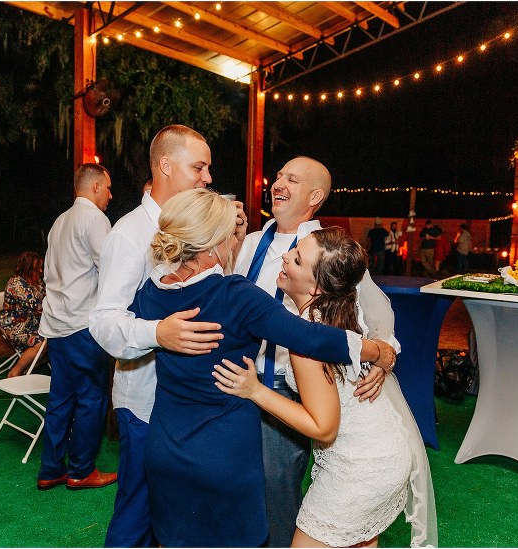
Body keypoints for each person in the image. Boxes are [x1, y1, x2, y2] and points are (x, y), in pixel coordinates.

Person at [131, 189, 396, 547]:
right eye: (230, 233)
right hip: (224, 455)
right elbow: (311, 338)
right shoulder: (235, 295)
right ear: (213, 244)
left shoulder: (149, 293)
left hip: (165, 451)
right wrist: (377, 350)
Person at [216, 227, 437, 548]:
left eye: (297, 259)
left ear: (317, 285)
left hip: (359, 470)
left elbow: (323, 427)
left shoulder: (307, 338)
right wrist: (381, 353)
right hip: (385, 452)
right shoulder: (342, 310)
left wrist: (255, 391)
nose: (285, 257)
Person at [234, 156, 399, 548]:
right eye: (278, 177)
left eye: (291, 179)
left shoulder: (328, 251)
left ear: (315, 196)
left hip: (290, 392)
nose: (278, 184)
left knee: (279, 493)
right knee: (242, 485)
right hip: (244, 382)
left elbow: (379, 315)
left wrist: (384, 355)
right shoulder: (254, 242)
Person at [90, 125, 236, 548]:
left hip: (187, 403)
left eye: (207, 168)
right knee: (136, 514)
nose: (208, 177)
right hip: (146, 403)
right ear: (166, 166)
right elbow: (103, 321)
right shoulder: (131, 235)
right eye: (199, 167)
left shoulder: (190, 229)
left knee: (171, 517)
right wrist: (159, 332)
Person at [36, 163, 118, 491]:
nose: (111, 195)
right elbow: (112, 269)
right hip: (82, 324)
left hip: (56, 324)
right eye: (108, 188)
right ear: (95, 186)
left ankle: (51, 469)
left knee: (60, 399)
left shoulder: (60, 221)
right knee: (92, 398)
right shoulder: (94, 219)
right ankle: (81, 470)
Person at [0, 251, 46, 377]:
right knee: (42, 342)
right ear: (28, 268)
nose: (41, 271)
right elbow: (36, 306)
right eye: (38, 268)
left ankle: (29, 366)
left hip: (31, 323)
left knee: (57, 339)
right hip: (15, 326)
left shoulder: (36, 282)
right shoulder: (16, 284)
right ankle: (16, 372)